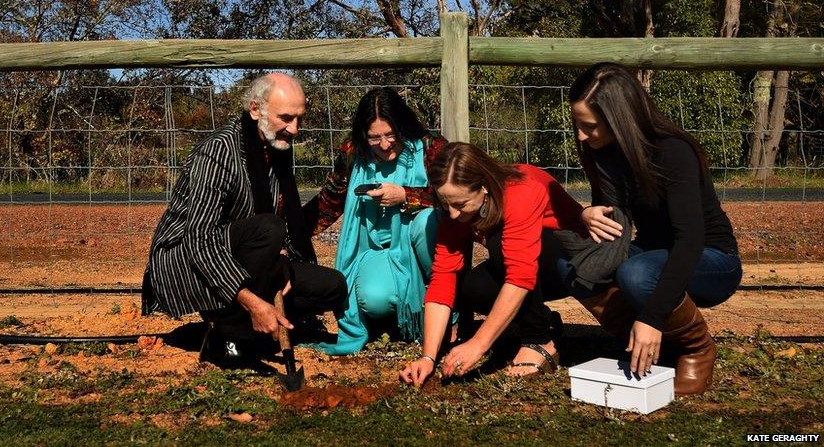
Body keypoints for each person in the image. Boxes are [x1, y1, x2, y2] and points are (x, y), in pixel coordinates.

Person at [557, 62, 741, 395]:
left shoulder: (672, 151)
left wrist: (653, 317)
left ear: (619, 119)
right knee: (571, 266)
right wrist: (588, 215)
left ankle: (696, 349)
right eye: (578, 125)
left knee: (637, 274)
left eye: (590, 126)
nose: (581, 136)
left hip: (711, 259)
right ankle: (646, 345)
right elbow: (613, 225)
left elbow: (690, 241)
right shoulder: (603, 153)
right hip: (652, 255)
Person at [141, 72, 347, 369]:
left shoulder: (276, 147)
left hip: (248, 253)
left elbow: (283, 221)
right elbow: (199, 239)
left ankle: (253, 324)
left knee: (332, 286)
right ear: (255, 110)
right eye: (286, 118)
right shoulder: (218, 153)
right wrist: (251, 301)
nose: (295, 128)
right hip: (185, 260)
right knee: (269, 229)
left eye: (299, 118)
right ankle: (227, 338)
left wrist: (283, 258)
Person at [400, 142, 586, 387]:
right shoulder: (454, 212)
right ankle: (546, 321)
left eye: (460, 204)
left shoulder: (521, 189)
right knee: (474, 288)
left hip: (573, 261)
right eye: (446, 203)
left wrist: (478, 345)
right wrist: (428, 357)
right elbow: (443, 276)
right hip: (530, 267)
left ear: (484, 186)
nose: (453, 214)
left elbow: (520, 276)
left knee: (501, 244)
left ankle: (539, 340)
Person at [301, 87, 447, 355]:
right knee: (374, 299)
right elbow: (329, 201)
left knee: (427, 220)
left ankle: (447, 305)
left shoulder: (431, 149)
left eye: (391, 134)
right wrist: (289, 231)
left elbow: (455, 201)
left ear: (403, 127)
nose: (384, 144)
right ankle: (404, 318)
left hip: (425, 247)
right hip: (379, 248)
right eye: (374, 137)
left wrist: (406, 196)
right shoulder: (352, 153)